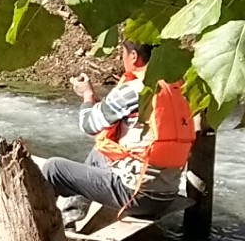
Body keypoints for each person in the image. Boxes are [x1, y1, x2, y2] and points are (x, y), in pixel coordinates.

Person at [38, 40, 193, 226]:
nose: (122, 58)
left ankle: (42, 226)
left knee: (53, 168)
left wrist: (87, 96)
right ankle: (71, 215)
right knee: (100, 151)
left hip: (136, 196)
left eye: (123, 53)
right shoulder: (178, 87)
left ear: (134, 57)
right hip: (166, 195)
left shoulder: (135, 89)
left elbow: (89, 125)